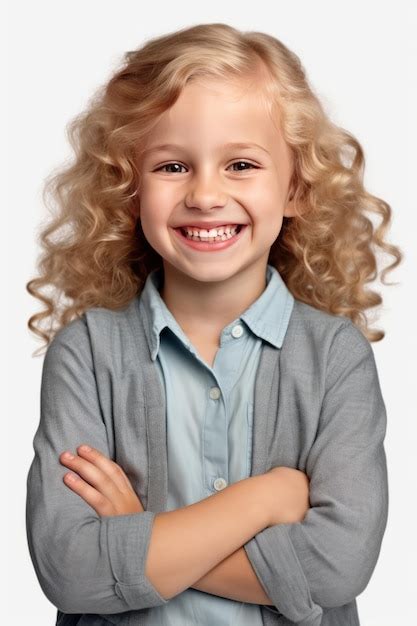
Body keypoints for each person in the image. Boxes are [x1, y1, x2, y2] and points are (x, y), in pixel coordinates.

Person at [25, 23, 401, 626]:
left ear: (296, 188)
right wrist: (262, 499)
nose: (205, 194)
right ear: (129, 189)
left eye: (242, 164)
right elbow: (71, 569)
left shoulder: (336, 357)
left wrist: (136, 539)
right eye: (172, 166)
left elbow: (335, 567)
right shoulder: (87, 352)